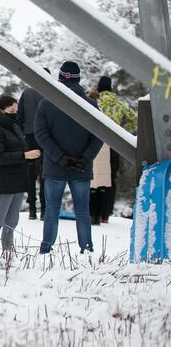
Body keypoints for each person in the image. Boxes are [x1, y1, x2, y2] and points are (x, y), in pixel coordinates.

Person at [35, 61, 103, 254]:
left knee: (52, 211)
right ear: (79, 78)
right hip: (81, 168)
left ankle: (46, 248)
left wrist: (59, 157)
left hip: (55, 167)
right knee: (82, 212)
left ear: (60, 77)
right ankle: (87, 248)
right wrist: (85, 158)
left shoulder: (47, 103)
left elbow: (41, 134)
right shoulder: (90, 105)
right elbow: (99, 135)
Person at [0, 95, 41, 256]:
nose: (15, 113)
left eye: (16, 110)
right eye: (11, 110)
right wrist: (24, 156)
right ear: (1, 110)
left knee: (12, 222)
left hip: (18, 181)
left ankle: (8, 254)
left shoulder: (13, 127)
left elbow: (20, 148)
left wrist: (29, 157)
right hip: (2, 183)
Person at [96, 75, 137, 223]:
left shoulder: (95, 101)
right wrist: (124, 130)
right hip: (114, 144)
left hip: (96, 143)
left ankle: (95, 213)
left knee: (95, 179)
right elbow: (134, 118)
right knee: (111, 179)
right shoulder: (119, 103)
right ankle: (106, 214)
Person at [16, 68, 50, 220]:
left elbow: (19, 116)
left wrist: (22, 134)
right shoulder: (52, 94)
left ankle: (32, 210)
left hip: (29, 136)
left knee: (31, 174)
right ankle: (44, 209)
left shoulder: (27, 93)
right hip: (47, 137)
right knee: (44, 174)